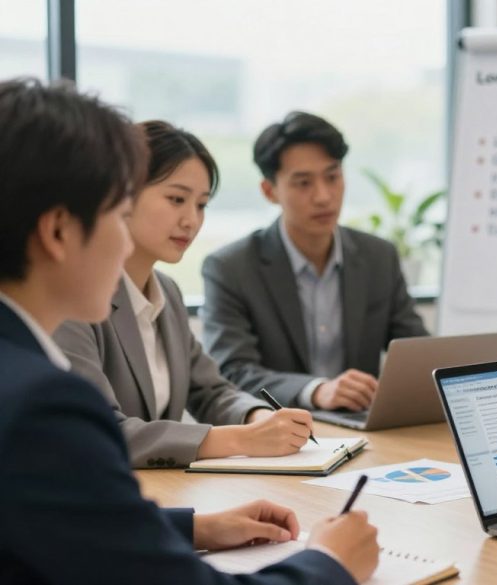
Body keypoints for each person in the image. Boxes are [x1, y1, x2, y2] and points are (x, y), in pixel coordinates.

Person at [0, 78, 379, 584]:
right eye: (117, 212)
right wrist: (329, 563)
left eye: (201, 204)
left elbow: (56, 520)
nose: (190, 222)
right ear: (57, 230)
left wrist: (193, 527)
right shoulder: (41, 406)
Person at [54, 121, 314, 469]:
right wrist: (239, 439)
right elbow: (97, 430)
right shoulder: (72, 296)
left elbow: (210, 391)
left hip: (162, 493)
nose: (191, 220)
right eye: (176, 199)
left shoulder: (169, 293)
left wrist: (256, 417)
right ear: (122, 195)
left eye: (202, 204)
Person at [200, 111, 428, 411]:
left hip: (364, 432)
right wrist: (316, 391)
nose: (323, 196)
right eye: (303, 183)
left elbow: (418, 355)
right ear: (270, 192)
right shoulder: (231, 268)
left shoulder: (378, 257)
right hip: (280, 434)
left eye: (332, 177)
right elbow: (234, 371)